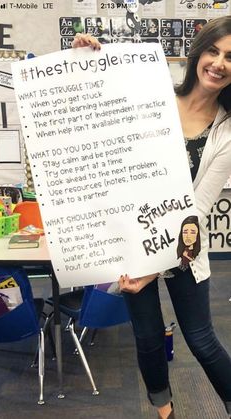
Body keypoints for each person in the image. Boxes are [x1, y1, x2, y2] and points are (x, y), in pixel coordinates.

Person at [73, 15, 231, 419]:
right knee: (145, 338)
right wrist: (83, 67)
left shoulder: (227, 132)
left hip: (182, 251)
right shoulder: (155, 95)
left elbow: (197, 208)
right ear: (199, 53)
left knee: (201, 339)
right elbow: (103, 119)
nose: (219, 62)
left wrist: (155, 267)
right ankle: (165, 413)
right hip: (133, 243)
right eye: (213, 50)